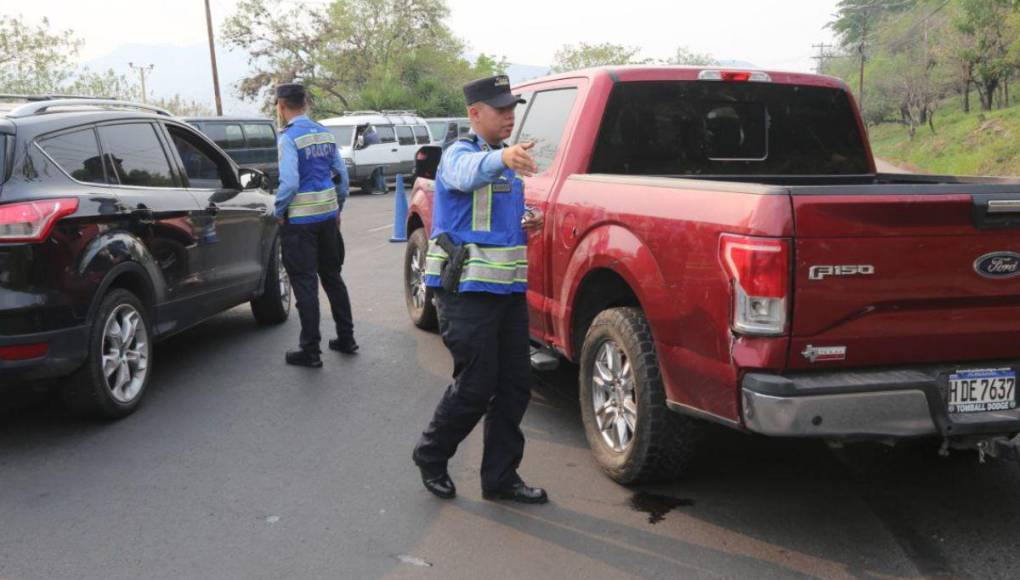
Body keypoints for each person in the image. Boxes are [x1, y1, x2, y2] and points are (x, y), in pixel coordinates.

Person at [412, 75, 547, 504]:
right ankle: (430, 454)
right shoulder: (460, 155)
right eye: (500, 109)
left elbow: (490, 213)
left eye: (512, 108)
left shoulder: (501, 158)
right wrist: (505, 158)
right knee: (475, 385)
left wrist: (526, 219)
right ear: (474, 114)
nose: (509, 115)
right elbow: (468, 177)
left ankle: (500, 478)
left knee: (514, 385)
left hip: (506, 292)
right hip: (466, 293)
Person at [274, 82, 359, 368]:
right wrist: (338, 206)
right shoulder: (324, 132)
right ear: (306, 103)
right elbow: (342, 178)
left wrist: (278, 210)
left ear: (281, 106)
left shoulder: (288, 138)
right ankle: (346, 338)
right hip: (327, 217)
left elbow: (289, 183)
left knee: (306, 284)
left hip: (300, 222)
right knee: (333, 277)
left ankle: (310, 350)